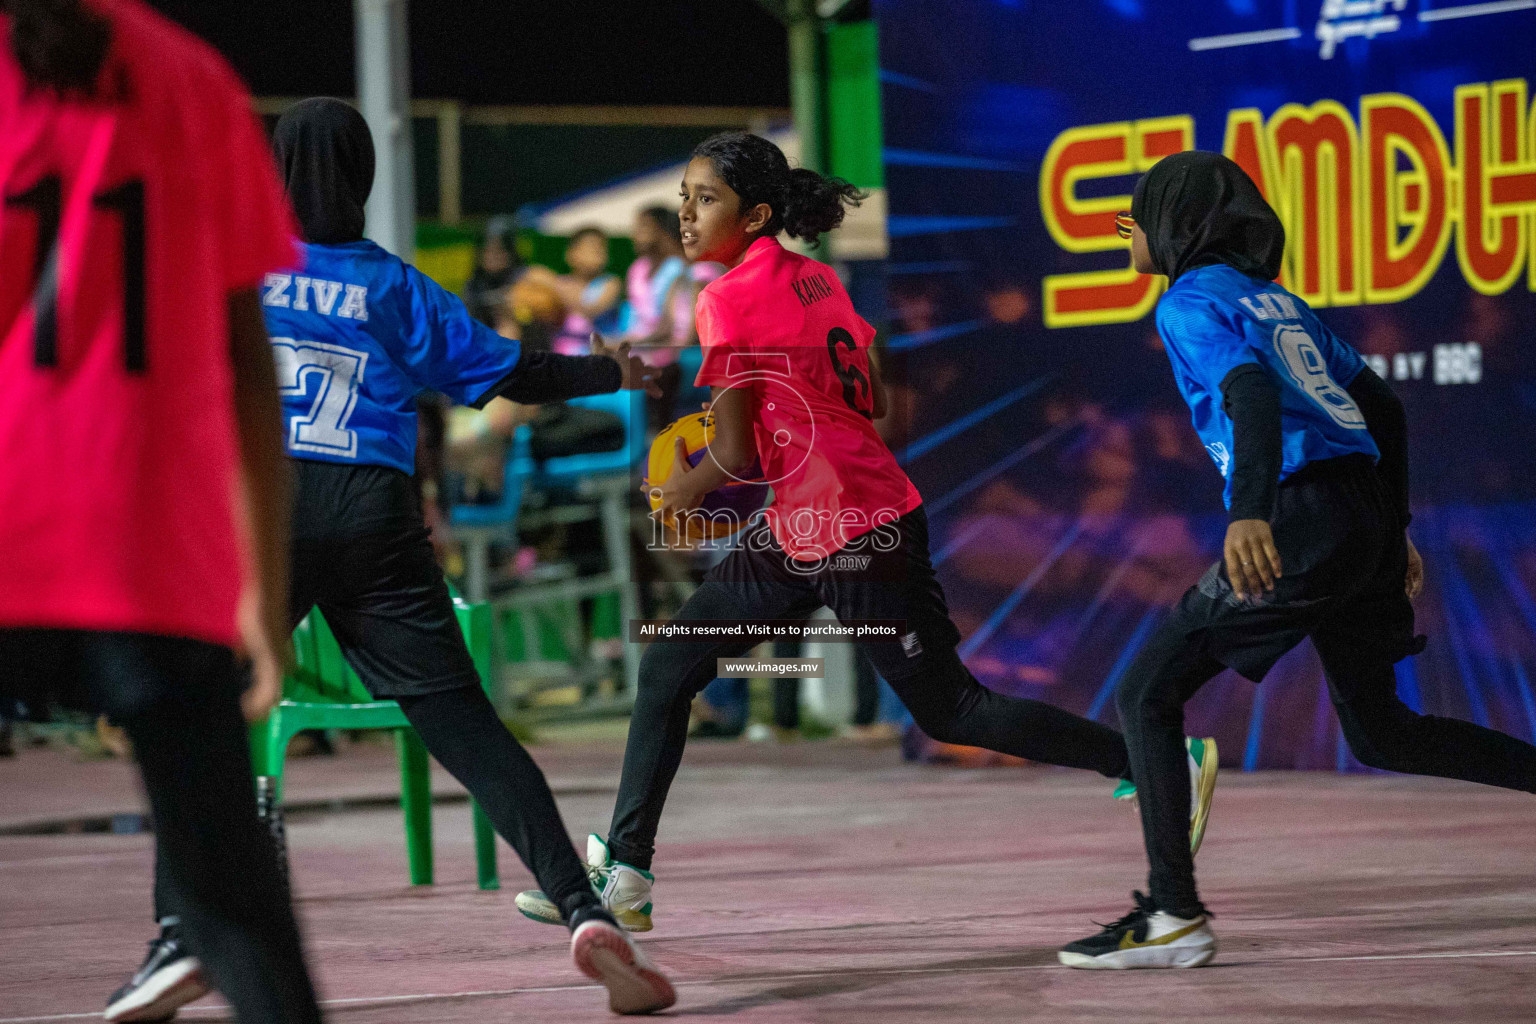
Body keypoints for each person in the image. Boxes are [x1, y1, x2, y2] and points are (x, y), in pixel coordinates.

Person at [513, 131, 1219, 932]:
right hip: (802, 524)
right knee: (672, 665)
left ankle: (1153, 763)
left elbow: (736, 449)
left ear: (757, 214)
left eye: (704, 198)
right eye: (683, 195)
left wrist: (679, 486)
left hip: (857, 528)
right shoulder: (817, 278)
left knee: (952, 711)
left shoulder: (726, 299)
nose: (686, 212)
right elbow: (871, 400)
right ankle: (627, 874)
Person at [110, 97, 676, 1017]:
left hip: (265, 506)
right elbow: (511, 372)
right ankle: (580, 908)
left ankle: (178, 937)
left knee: (195, 728)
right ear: (365, 177)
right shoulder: (393, 286)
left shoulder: (232, 264)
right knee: (466, 724)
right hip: (374, 514)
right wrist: (614, 370)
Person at [1058, 151, 1536, 970]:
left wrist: (1250, 515)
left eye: (1136, 211)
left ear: (1174, 221)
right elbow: (1381, 404)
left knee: (1146, 695)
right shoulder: (1278, 299)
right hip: (1359, 510)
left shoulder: (1188, 299)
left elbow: (1246, 394)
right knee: (1385, 732)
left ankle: (1173, 916)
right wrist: (1395, 526)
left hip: (1299, 514)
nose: (1122, 226)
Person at [0, 1, 325, 1021]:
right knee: (239, 914)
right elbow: (245, 370)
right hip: (148, 543)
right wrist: (261, 600)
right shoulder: (189, 75)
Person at [543, 225, 624, 356]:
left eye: (602, 248)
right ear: (571, 253)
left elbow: (592, 309)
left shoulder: (611, 283)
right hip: (562, 355)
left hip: (598, 357)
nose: (598, 252)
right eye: (591, 247)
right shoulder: (561, 282)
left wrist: (552, 284)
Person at [462, 215, 523, 329]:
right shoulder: (474, 285)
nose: (492, 257)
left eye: (499, 251)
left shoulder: (523, 277)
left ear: (511, 253)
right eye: (487, 251)